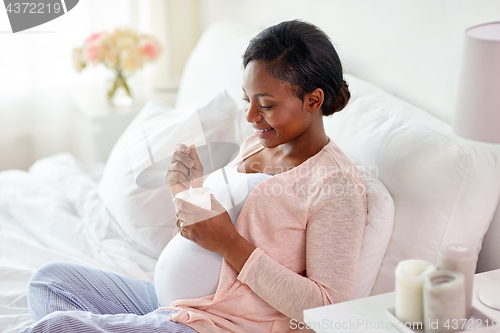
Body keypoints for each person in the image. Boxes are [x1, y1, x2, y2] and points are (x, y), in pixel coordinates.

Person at [22, 20, 367, 333]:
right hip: (177, 305)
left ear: (313, 100)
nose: (249, 116)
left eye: (265, 104)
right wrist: (187, 193)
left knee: (57, 327)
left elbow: (327, 309)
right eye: (246, 99)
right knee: (48, 282)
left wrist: (230, 243)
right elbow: (211, 233)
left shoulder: (335, 185)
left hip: (225, 323)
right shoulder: (256, 145)